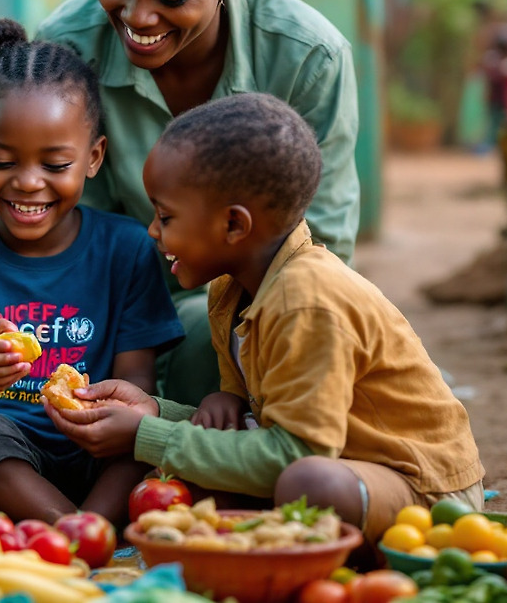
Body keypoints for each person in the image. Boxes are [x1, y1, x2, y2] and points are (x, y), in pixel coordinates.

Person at [36, 0, 359, 407]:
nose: (138, 17)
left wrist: (238, 352)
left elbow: (321, 249)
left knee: (202, 339)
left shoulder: (307, 57)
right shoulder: (66, 51)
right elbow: (65, 233)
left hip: (260, 317)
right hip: (105, 320)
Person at [45, 93, 484, 544]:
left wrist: (148, 435)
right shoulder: (231, 289)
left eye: (165, 216)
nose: (153, 231)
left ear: (234, 226)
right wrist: (154, 410)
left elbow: (296, 454)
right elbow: (253, 430)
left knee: (307, 485)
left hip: (424, 487)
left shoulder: (307, 300)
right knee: (191, 483)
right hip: (341, 461)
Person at [0, 19, 185, 527]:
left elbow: (135, 382)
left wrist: (102, 418)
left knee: (137, 432)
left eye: (54, 165)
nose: (28, 183)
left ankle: (89, 528)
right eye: (2, 160)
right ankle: (78, 535)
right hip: (3, 463)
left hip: (97, 451)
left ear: (93, 157)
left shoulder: (127, 248)